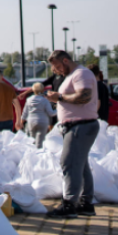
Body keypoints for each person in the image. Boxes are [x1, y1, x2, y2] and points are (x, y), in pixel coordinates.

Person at [45, 50, 99, 219]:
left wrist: (59, 97)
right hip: (77, 126)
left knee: (68, 163)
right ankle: (86, 203)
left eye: (59, 66)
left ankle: (69, 204)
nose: (57, 71)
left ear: (66, 61)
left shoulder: (81, 74)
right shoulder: (72, 75)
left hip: (80, 125)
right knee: (80, 165)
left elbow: (84, 97)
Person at [22, 83, 56, 148]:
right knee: (40, 142)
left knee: (32, 140)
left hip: (31, 121)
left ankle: (32, 154)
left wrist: (21, 121)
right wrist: (58, 109)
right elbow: (51, 113)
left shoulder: (28, 100)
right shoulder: (45, 100)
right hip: (42, 121)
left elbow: (25, 113)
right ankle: (39, 153)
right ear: (43, 90)